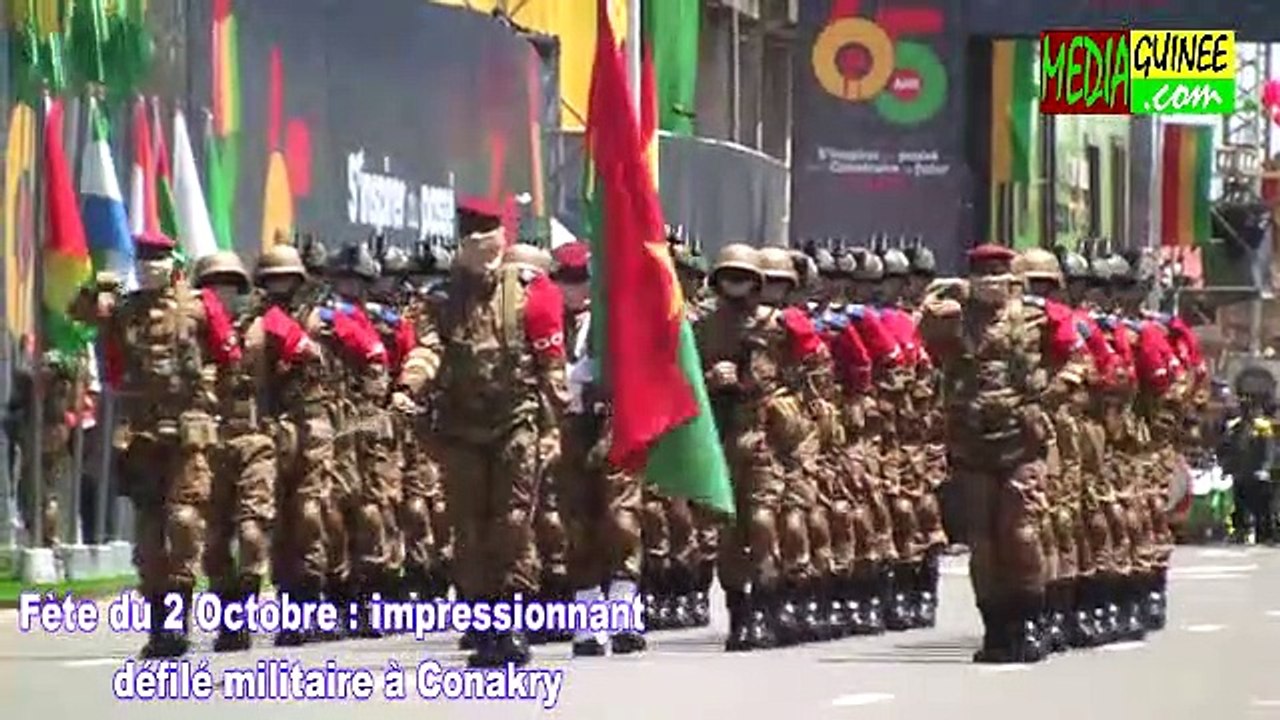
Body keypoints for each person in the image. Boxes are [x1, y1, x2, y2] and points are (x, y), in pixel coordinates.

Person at [920, 244, 1087, 664]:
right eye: (983, 273)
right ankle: (996, 626)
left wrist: (1056, 392)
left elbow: (1078, 357)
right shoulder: (954, 318)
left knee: (1020, 532)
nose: (991, 281)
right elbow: (923, 335)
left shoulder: (1038, 316)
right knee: (983, 541)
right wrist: (945, 294)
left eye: (999, 272)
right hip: (971, 440)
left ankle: (1030, 621)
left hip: (1022, 438)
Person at [434, 198, 567, 667]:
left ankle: (512, 621)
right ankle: (482, 619)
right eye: (472, 242)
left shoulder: (532, 292)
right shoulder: (443, 298)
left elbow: (552, 367)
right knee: (469, 530)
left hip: (516, 422)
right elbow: (428, 349)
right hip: (461, 430)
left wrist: (554, 427)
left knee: (512, 523)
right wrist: (412, 384)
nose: (482, 251)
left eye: (489, 240)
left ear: (503, 241)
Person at [73, 231, 215, 658]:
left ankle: (180, 619)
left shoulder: (199, 307)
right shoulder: (125, 309)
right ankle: (161, 628)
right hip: (142, 436)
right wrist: (103, 282)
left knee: (184, 523)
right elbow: (77, 312)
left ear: (172, 262)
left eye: (158, 259)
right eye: (143, 260)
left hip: (188, 431)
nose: (149, 267)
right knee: (150, 536)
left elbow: (228, 357)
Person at [552, 240, 647, 656]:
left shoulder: (613, 321)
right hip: (566, 428)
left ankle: (624, 612)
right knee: (577, 523)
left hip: (613, 423)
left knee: (621, 520)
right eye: (565, 281)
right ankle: (589, 623)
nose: (572, 289)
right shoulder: (545, 321)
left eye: (580, 281)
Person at [193, 250, 276, 652]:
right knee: (212, 540)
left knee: (250, 529)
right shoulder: (190, 336)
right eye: (213, 286)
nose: (221, 293)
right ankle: (230, 617)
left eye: (229, 285)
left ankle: (246, 600)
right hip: (208, 444)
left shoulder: (262, 330)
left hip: (254, 442)